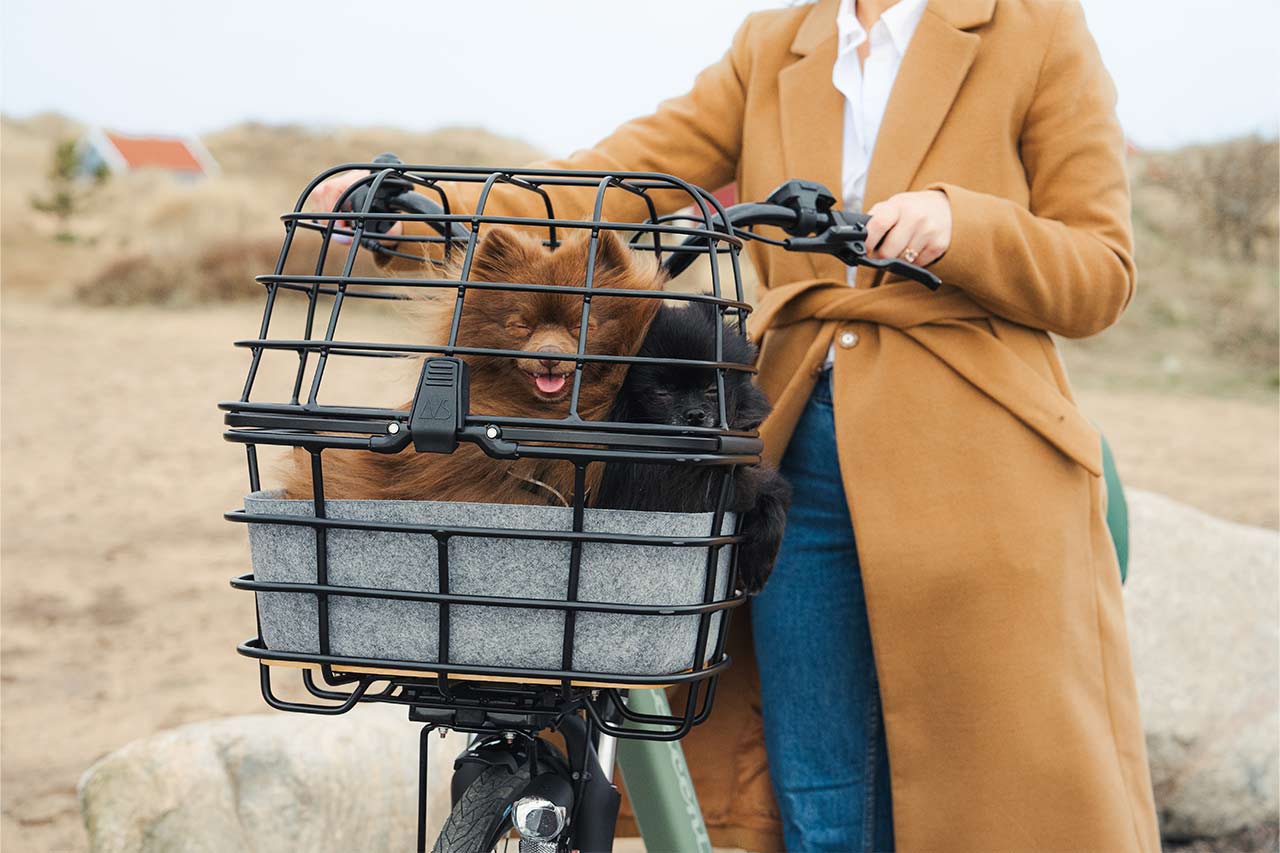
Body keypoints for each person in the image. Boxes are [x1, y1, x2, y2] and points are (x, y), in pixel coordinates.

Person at [313, 1, 1160, 849]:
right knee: (814, 771)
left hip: (976, 445)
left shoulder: (1037, 27)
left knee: (985, 780)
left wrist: (961, 221)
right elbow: (613, 178)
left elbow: (1101, 272)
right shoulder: (777, 41)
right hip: (787, 439)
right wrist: (424, 205)